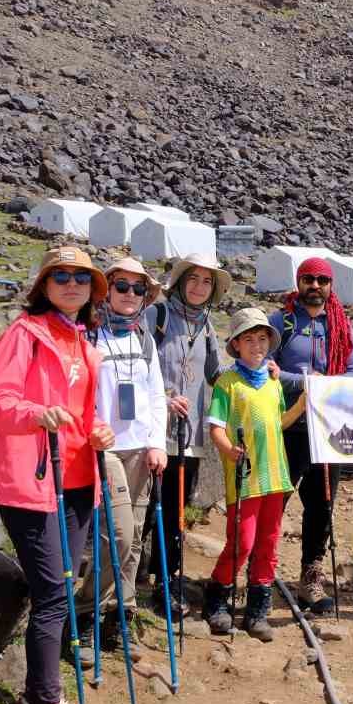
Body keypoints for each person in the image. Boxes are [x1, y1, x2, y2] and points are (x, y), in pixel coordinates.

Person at [0, 246, 116, 704]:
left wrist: (99, 431)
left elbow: (86, 412)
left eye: (83, 277)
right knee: (53, 594)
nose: (73, 283)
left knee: (61, 586)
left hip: (77, 478)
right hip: (31, 480)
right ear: (44, 284)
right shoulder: (22, 334)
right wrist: (37, 413)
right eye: (62, 275)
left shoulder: (82, 338)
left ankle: (42, 692)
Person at [72, 256, 167, 665]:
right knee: (118, 536)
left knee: (134, 542)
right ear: (106, 290)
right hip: (104, 450)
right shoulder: (90, 336)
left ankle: (119, 617)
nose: (130, 295)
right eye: (122, 286)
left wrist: (157, 443)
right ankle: (87, 612)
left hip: (141, 450)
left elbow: (157, 395)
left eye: (138, 289)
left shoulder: (145, 338)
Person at [203, 308, 305, 641]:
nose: (257, 345)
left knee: (269, 542)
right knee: (242, 543)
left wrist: (303, 404)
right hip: (245, 478)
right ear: (236, 344)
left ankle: (257, 610)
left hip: (276, 476)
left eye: (262, 338)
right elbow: (216, 427)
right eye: (249, 339)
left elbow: (279, 424)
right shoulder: (227, 383)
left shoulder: (274, 382)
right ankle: (217, 598)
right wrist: (228, 449)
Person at [268, 255, 353, 611]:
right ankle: (261, 571)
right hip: (287, 427)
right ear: (298, 281)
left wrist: (328, 385)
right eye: (308, 279)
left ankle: (311, 577)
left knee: (321, 506)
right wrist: (306, 382)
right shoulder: (281, 322)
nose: (315, 286)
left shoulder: (340, 325)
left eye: (321, 280)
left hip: (328, 431)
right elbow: (266, 367)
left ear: (330, 285)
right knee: (275, 500)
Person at [148, 252, 229, 617]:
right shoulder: (157, 316)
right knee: (150, 505)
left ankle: (168, 577)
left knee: (176, 508)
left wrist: (258, 371)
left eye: (207, 281)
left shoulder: (207, 326)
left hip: (191, 434)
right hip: (154, 431)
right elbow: (135, 366)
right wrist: (162, 397)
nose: (199, 286)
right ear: (180, 282)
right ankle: (144, 576)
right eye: (193, 278)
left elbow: (217, 376)